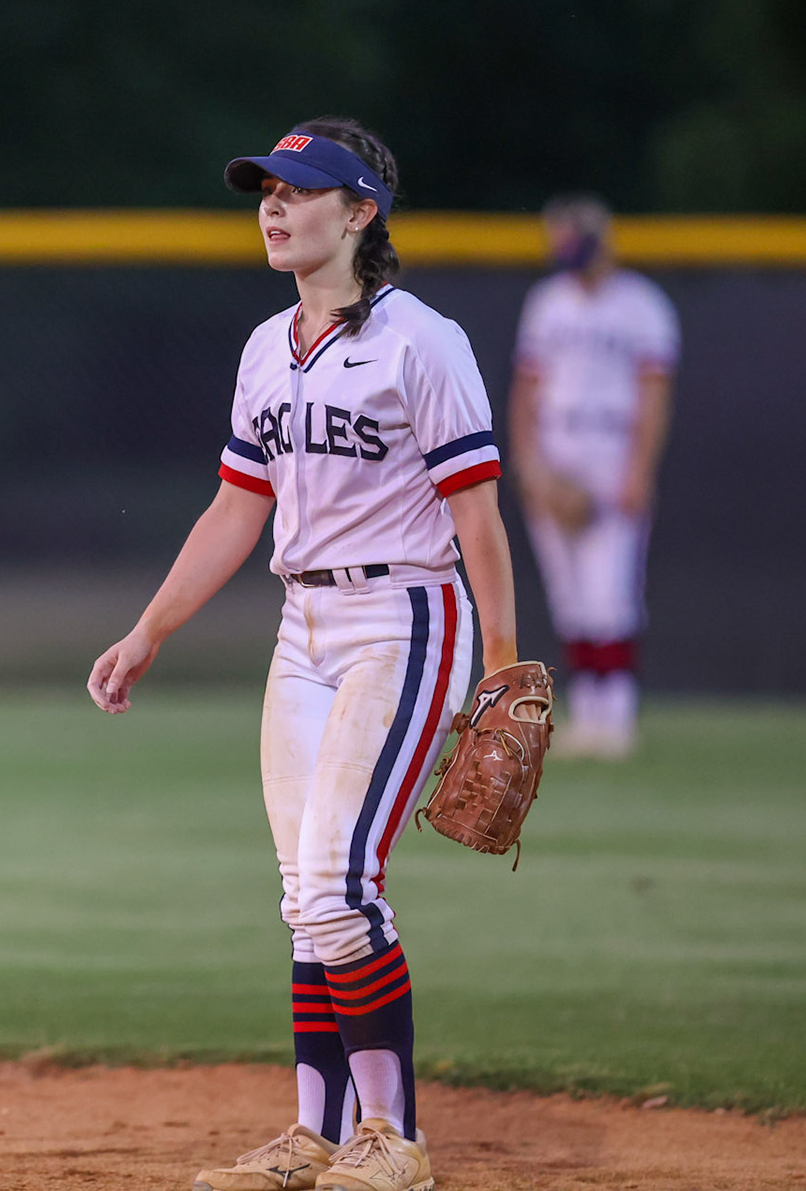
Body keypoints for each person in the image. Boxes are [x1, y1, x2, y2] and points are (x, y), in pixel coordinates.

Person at [87, 118, 522, 1191]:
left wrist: (503, 671)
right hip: (305, 630)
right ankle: (314, 1137)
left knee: (338, 887)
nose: (274, 207)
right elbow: (240, 505)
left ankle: (395, 1140)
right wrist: (149, 629)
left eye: (298, 189)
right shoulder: (264, 346)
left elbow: (478, 517)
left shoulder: (422, 341)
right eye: (264, 191)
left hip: (405, 620)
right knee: (305, 891)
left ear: (361, 211)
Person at [509, 195, 677, 759]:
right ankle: (588, 713)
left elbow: (654, 395)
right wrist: (530, 465)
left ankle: (616, 716)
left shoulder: (642, 304)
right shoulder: (548, 301)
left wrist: (638, 472)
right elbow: (526, 390)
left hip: (611, 446)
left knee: (611, 590)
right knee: (571, 595)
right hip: (558, 445)